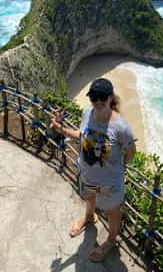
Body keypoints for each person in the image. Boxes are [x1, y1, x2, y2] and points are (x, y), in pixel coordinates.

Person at [50, 77, 136, 262]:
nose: (97, 101)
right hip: (88, 173)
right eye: (93, 97)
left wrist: (121, 167)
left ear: (110, 98)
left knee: (112, 212)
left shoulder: (121, 127)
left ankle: (111, 241)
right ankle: (89, 217)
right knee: (89, 196)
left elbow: (131, 151)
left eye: (102, 98)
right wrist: (62, 129)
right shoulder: (87, 113)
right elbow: (82, 135)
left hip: (109, 183)